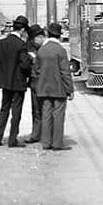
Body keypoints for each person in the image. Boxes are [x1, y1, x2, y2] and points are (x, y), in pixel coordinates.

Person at [0, 15, 32, 147]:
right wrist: (30, 60)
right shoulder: (21, 45)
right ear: (23, 30)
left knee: (4, 109)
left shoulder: (1, 43)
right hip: (18, 82)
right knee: (16, 111)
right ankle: (12, 140)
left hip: (4, 82)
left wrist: (1, 69)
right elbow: (25, 65)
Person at [34, 22, 74, 151]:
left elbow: (36, 70)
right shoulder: (60, 50)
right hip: (59, 89)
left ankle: (46, 142)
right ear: (59, 36)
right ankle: (57, 143)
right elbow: (65, 72)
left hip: (44, 88)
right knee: (58, 115)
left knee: (46, 114)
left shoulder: (41, 50)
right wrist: (70, 89)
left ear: (47, 34)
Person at [21, 24, 47, 144]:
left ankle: (46, 134)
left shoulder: (47, 47)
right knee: (37, 110)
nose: (42, 38)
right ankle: (36, 134)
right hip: (35, 82)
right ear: (33, 38)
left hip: (47, 82)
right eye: (39, 36)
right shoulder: (28, 48)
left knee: (47, 109)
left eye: (43, 35)